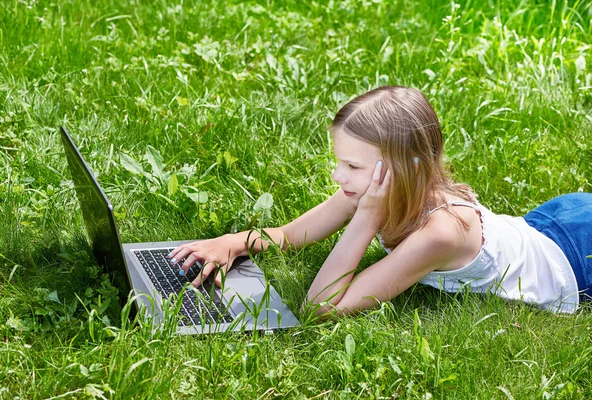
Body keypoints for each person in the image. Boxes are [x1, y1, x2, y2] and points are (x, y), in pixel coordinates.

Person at [167, 86, 592, 316]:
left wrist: (366, 216)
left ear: (398, 169)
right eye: (340, 163)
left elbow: (321, 307)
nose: (338, 177)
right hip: (547, 221)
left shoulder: (440, 232)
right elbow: (289, 235)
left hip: (577, 257)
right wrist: (232, 242)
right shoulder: (379, 186)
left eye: (352, 167)